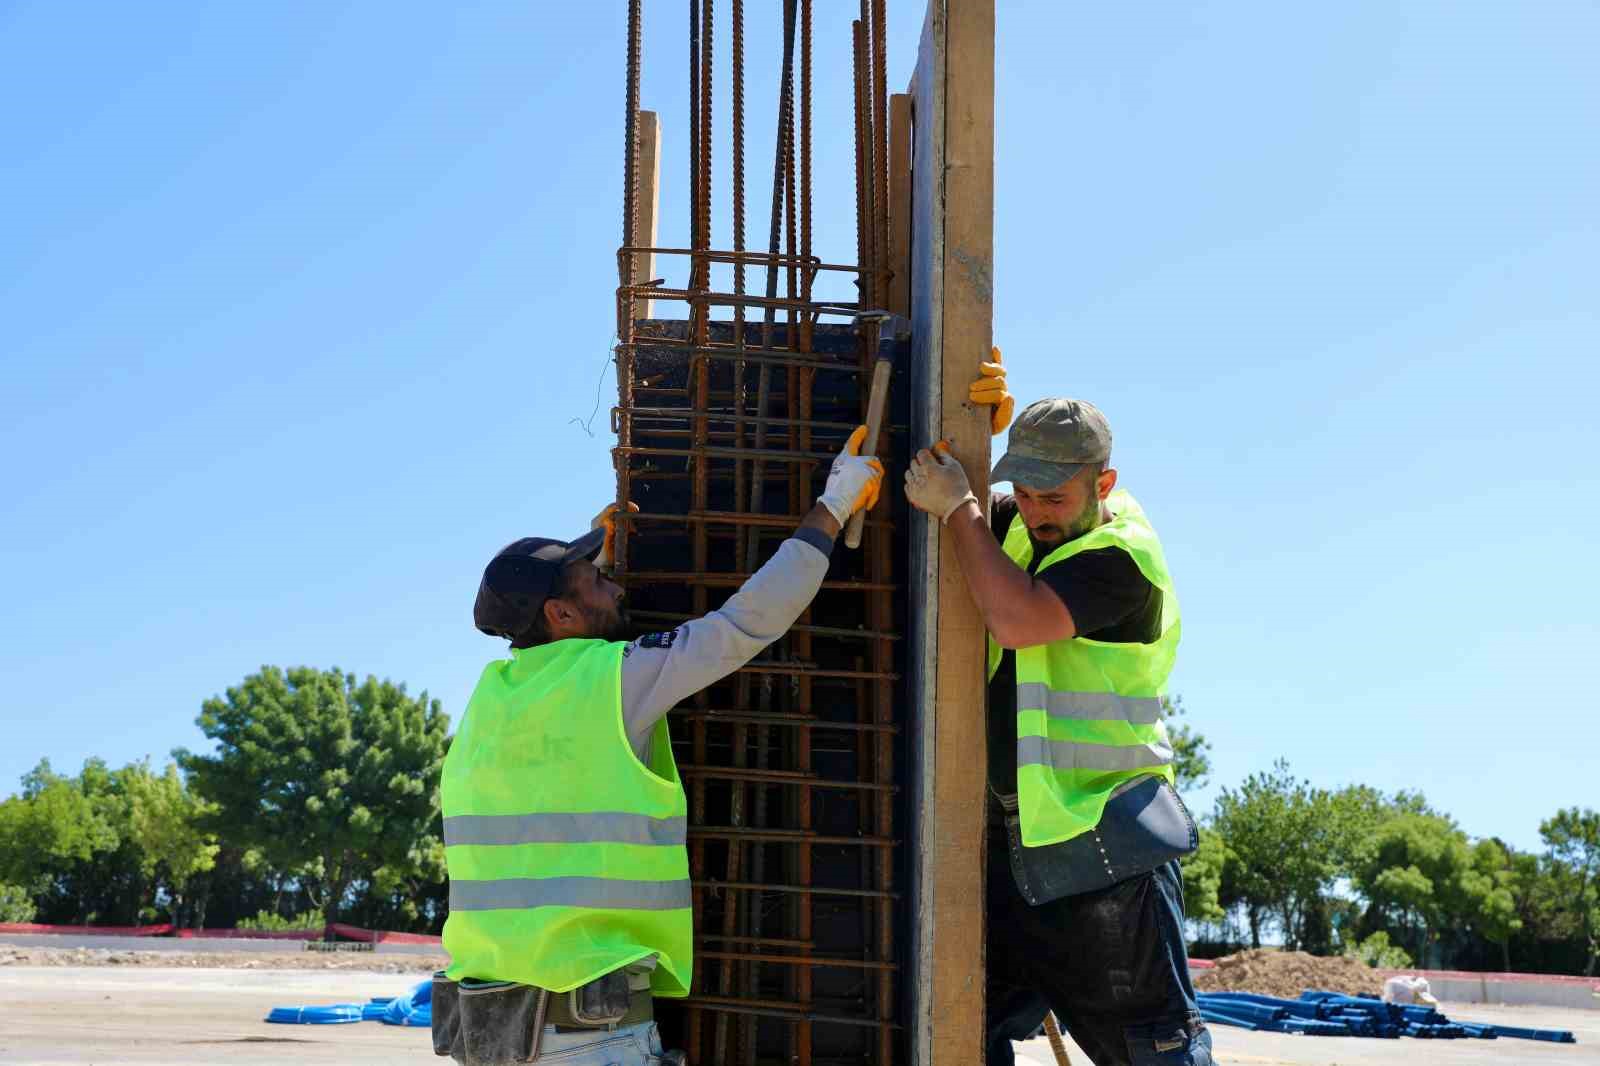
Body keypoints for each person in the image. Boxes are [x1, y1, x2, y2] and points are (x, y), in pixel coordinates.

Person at [431, 428, 884, 1066]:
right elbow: (744, 622)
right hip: (586, 1040)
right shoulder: (613, 679)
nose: (615, 588)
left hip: (489, 1032)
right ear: (560, 615)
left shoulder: (489, 703)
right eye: (597, 581)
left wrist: (596, 555)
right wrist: (831, 508)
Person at [903, 352, 1213, 1066]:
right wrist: (971, 432)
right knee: (961, 1033)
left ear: (1103, 484)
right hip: (1019, 854)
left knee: (1153, 1049)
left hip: (1107, 858)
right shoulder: (1023, 525)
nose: (1036, 511)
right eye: (1024, 492)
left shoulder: (1122, 557)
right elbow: (978, 513)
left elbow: (1016, 618)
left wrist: (961, 508)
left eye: (1055, 497)